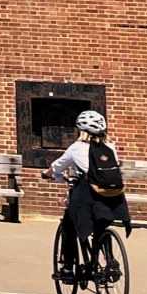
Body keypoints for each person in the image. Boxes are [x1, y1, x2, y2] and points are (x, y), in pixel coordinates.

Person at [48, 109, 130, 284]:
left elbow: (57, 167)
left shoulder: (76, 148)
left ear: (81, 130)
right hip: (113, 196)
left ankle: (68, 268)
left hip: (87, 196)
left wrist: (48, 174)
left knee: (69, 224)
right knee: (102, 224)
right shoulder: (110, 147)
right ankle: (110, 261)